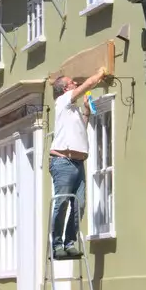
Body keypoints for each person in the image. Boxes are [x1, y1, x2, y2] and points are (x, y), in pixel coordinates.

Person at [48, 68, 110, 259]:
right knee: (62, 201)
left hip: (77, 162)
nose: (75, 84)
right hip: (63, 161)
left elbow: (80, 129)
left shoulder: (71, 109)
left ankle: (69, 242)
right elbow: (88, 84)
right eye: (72, 83)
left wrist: (85, 112)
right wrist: (99, 73)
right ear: (65, 88)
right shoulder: (63, 100)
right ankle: (57, 244)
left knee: (79, 204)